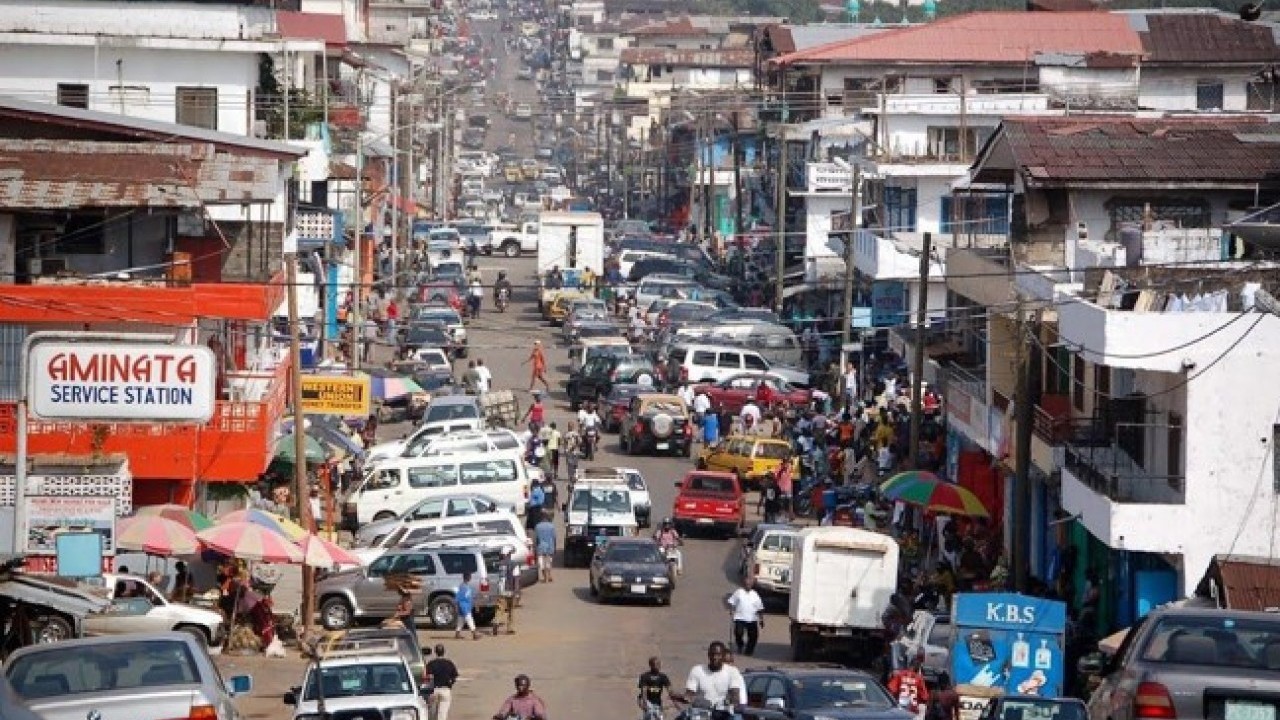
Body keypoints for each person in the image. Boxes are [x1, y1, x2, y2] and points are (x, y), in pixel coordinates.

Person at [672, 641, 746, 720]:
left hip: (724, 713)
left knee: (737, 718)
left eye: (718, 655)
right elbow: (689, 694)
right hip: (702, 712)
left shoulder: (732, 671)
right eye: (712, 654)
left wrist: (731, 703)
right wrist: (680, 697)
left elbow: (735, 695)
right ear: (708, 655)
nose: (715, 657)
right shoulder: (697, 670)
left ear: (723, 656)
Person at [726, 578, 765, 656]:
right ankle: (740, 645)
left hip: (752, 619)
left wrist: (761, 619)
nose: (748, 586)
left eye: (750, 585)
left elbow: (760, 608)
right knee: (738, 633)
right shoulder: (739, 592)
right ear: (744, 584)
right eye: (747, 584)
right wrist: (731, 610)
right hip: (740, 617)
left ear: (752, 585)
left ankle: (749, 651)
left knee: (753, 636)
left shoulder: (755, 594)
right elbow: (731, 602)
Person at [887, 653, 930, 720]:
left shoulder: (900, 675)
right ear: (918, 668)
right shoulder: (919, 679)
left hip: (900, 709)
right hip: (912, 710)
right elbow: (924, 697)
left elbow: (891, 690)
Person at [426, 644, 459, 720]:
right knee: (442, 714)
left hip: (434, 690)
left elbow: (427, 676)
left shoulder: (431, 663)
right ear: (444, 652)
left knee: (432, 714)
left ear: (435, 652)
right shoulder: (449, 663)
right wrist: (450, 684)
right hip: (445, 690)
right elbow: (455, 676)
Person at [494, 548, 520, 635]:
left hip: (501, 590)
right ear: (508, 554)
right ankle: (509, 628)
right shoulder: (514, 564)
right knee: (511, 609)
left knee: (500, 608)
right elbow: (516, 579)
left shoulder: (499, 564)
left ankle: (496, 621)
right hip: (510, 590)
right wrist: (517, 592)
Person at [454, 572, 481, 640]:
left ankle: (457, 633)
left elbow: (469, 597)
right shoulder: (463, 587)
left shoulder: (466, 586)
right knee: (469, 619)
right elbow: (458, 597)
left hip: (466, 606)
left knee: (461, 620)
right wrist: (457, 606)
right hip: (463, 606)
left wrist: (473, 604)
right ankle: (474, 634)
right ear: (468, 578)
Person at [534, 511, 556, 583]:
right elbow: (554, 537)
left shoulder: (537, 526)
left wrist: (535, 548)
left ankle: (545, 577)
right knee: (548, 561)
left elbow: (536, 538)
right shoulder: (551, 526)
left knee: (541, 563)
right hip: (550, 546)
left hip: (540, 546)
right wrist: (554, 547)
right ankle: (549, 575)